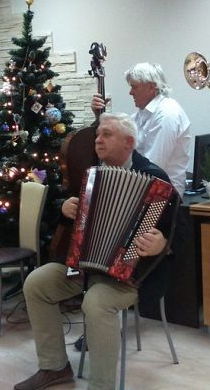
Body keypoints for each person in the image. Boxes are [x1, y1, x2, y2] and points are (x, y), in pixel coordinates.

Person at [15, 112, 178, 390]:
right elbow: (73, 225)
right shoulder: (90, 174)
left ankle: (102, 386)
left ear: (129, 143)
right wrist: (65, 212)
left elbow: (179, 233)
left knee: (96, 302)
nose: (98, 140)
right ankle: (55, 367)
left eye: (106, 134)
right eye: (97, 135)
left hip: (131, 274)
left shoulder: (155, 180)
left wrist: (161, 244)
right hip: (86, 266)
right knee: (36, 283)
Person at [91, 62, 191, 196]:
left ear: (151, 87)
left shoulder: (167, 115)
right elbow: (122, 139)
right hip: (141, 188)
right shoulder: (141, 114)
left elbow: (154, 166)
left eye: (134, 87)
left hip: (161, 197)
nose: (130, 92)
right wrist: (99, 115)